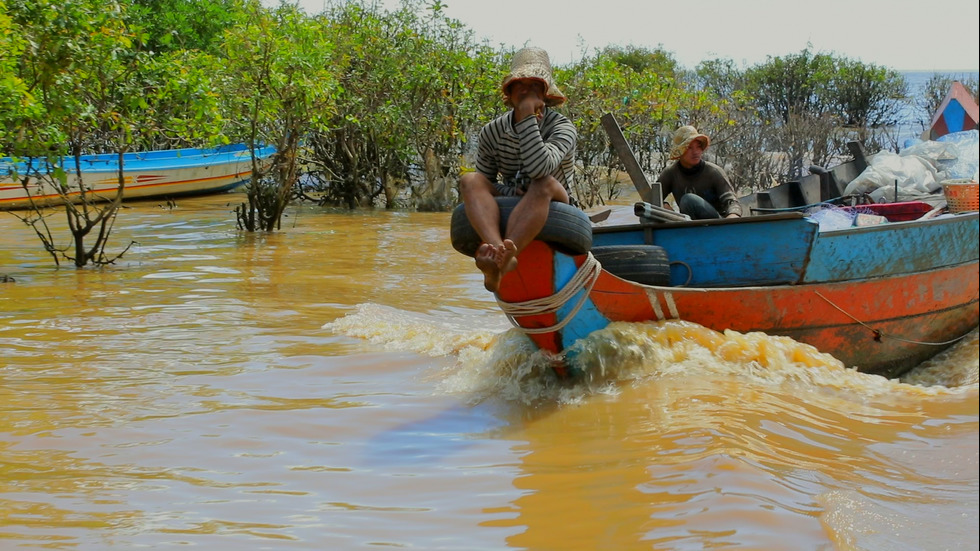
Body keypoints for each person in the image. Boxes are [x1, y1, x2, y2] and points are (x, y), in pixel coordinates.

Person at [459, 47, 577, 293]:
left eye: (534, 85)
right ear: (509, 92)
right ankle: (500, 255)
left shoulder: (563, 128)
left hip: (556, 199)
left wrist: (526, 117)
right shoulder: (492, 131)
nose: (526, 91)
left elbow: (540, 169)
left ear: (545, 93)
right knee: (470, 180)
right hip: (514, 198)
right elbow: (486, 182)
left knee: (542, 183)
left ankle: (499, 264)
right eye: (519, 85)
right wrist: (510, 190)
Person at [657, 126, 742, 220]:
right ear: (680, 151)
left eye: (698, 147)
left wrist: (733, 216)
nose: (695, 152)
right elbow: (653, 198)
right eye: (689, 148)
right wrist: (664, 206)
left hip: (716, 225)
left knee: (689, 200)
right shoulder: (670, 173)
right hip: (686, 224)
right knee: (647, 214)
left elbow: (731, 202)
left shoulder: (713, 172)